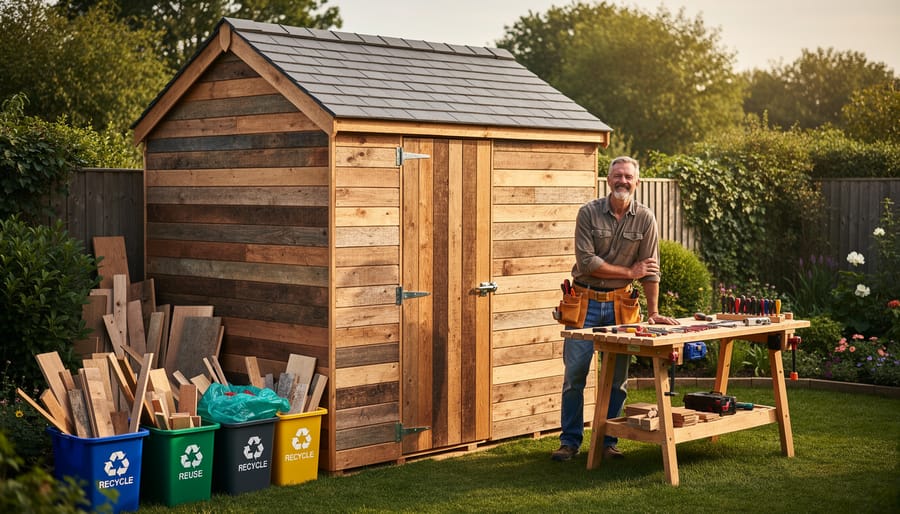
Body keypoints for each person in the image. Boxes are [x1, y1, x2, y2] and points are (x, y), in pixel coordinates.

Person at [551, 156, 679, 462]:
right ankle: (569, 442)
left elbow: (650, 269)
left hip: (622, 306)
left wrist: (654, 312)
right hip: (583, 303)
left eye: (628, 177)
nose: (623, 181)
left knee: (618, 380)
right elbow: (587, 263)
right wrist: (628, 273)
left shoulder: (645, 218)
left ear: (637, 181)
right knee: (575, 377)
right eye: (617, 175)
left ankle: (609, 441)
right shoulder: (588, 213)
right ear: (608, 180)